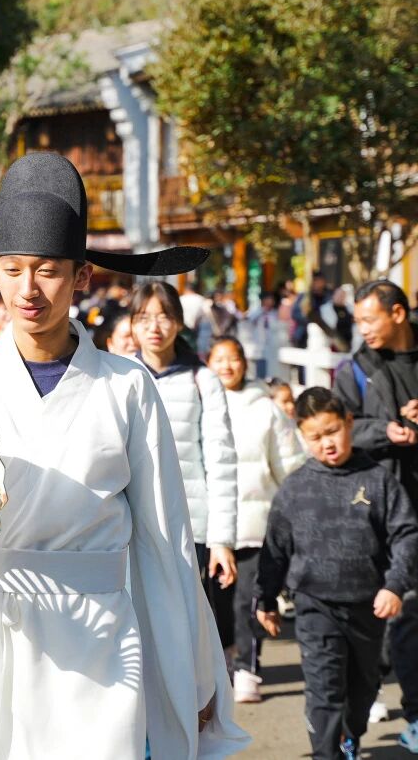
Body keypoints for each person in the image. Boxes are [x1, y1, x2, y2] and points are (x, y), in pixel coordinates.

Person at [0, 151, 247, 758]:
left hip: (96, 638)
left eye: (46, 271)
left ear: (82, 276)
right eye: (12, 270)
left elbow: (163, 538)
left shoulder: (126, 386)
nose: (28, 289)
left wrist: (192, 671)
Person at [257, 387, 418, 760]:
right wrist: (264, 598)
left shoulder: (378, 480)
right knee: (324, 689)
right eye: (315, 437)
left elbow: (406, 533)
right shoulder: (295, 488)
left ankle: (350, 736)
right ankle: (326, 753)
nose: (327, 443)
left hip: (369, 606)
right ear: (301, 434)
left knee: (363, 688)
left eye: (333, 431)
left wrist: (394, 585)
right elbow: (275, 549)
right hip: (315, 606)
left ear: (349, 423)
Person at [331, 279, 418, 746]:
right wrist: (385, 430)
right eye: (358, 320)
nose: (361, 328)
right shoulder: (357, 369)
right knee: (384, 615)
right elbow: (337, 428)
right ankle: (350, 724)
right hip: (379, 507)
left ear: (398, 314)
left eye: (370, 319)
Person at [132, 281, 240, 652]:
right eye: (144, 318)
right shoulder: (120, 377)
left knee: (192, 635)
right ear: (132, 325)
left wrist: (222, 541)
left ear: (179, 323)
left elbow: (222, 462)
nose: (154, 327)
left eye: (164, 317)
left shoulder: (202, 379)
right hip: (134, 524)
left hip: (193, 526)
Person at [206, 336, 305, 703]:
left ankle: (248, 668)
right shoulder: (199, 402)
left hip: (254, 523)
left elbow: (289, 464)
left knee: (249, 598)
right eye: (219, 359)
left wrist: (298, 513)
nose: (227, 366)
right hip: (211, 525)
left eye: (233, 359)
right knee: (215, 602)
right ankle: (224, 663)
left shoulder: (266, 409)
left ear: (245, 364)